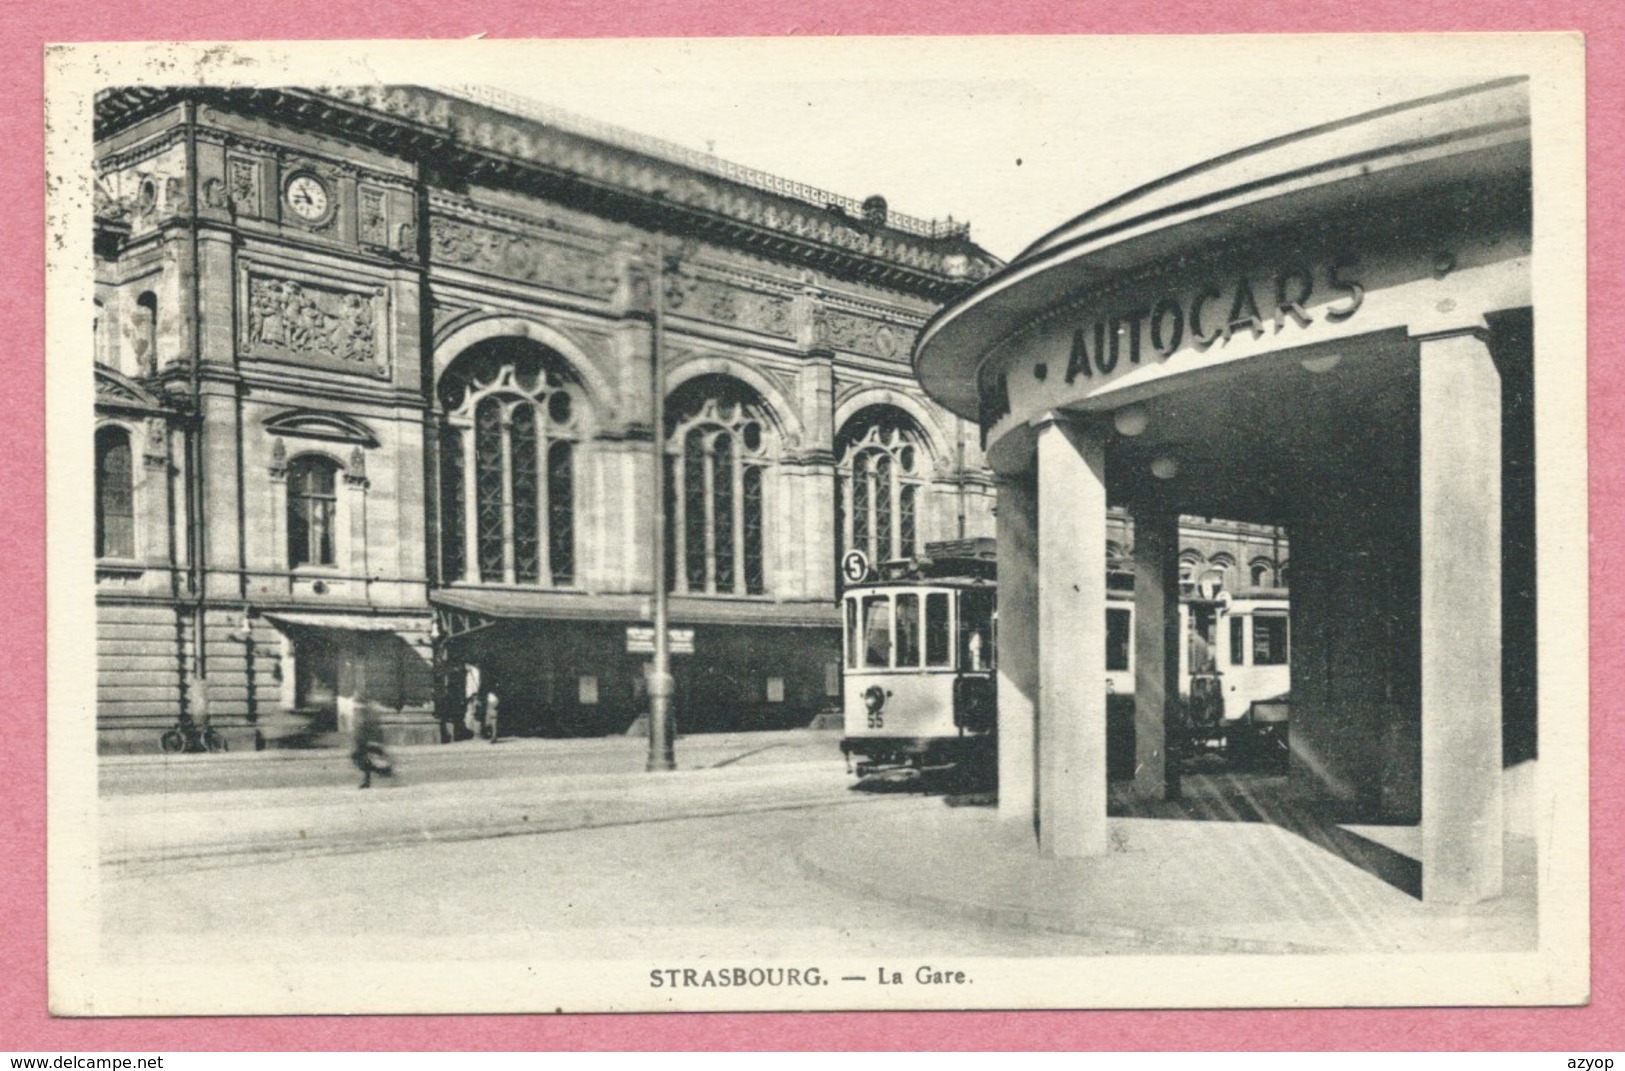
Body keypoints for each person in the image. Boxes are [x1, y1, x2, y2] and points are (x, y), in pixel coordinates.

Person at [351, 702, 394, 789]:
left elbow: (372, 730)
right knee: (362, 759)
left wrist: (372, 741)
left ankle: (379, 773)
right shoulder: (365, 717)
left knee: (362, 759)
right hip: (365, 743)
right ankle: (380, 772)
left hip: (369, 743)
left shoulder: (368, 718)